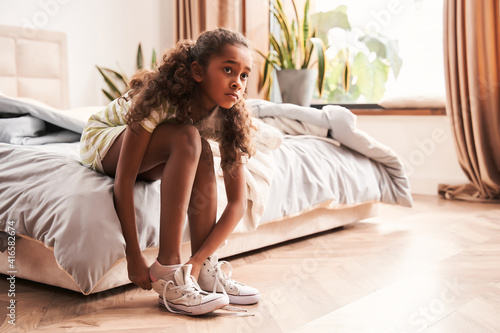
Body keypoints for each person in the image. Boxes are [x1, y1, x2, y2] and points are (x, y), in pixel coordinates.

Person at [80, 27, 260, 315]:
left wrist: (199, 260)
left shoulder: (230, 118)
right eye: (228, 69)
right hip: (105, 139)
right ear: (198, 72)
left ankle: (199, 275)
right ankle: (168, 270)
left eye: (243, 75)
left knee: (198, 147)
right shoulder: (160, 99)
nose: (237, 83)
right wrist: (134, 254)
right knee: (189, 136)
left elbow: (237, 203)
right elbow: (124, 180)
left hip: (158, 153)